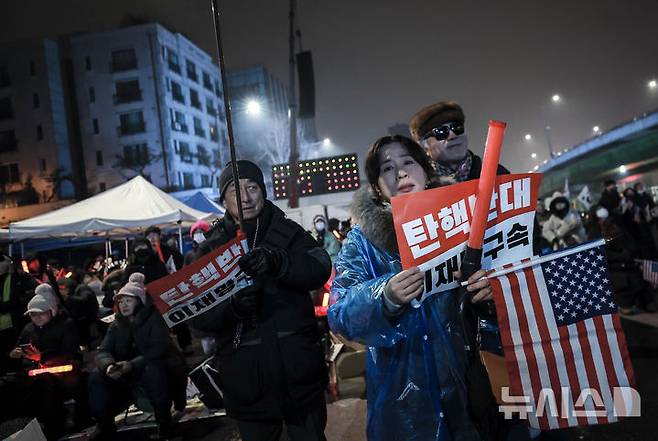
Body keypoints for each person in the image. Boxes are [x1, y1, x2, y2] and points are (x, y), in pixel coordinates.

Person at [328, 135, 493, 441]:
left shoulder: (465, 222)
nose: (400, 173)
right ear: (377, 186)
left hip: (470, 386)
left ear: (426, 172)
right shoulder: (362, 241)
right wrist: (384, 296)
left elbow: (506, 291)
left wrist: (490, 292)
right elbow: (339, 314)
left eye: (408, 163)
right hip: (403, 399)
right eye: (387, 168)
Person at [190, 160, 332, 441]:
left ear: (264, 191)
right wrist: (231, 308)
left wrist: (280, 263)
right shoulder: (211, 249)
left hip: (299, 374)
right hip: (246, 382)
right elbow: (198, 316)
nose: (245, 197)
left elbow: (320, 267)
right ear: (223, 199)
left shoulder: (289, 232)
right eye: (235, 191)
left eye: (252, 187)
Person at [88, 273, 187, 441]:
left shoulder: (154, 318)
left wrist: (132, 365)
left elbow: (158, 349)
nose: (123, 305)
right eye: (120, 301)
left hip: (156, 366)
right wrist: (109, 366)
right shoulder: (117, 323)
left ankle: (164, 426)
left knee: (153, 370)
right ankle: (104, 425)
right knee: (96, 377)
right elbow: (103, 350)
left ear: (139, 301)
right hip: (126, 369)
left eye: (128, 300)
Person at [1, 284, 81, 440]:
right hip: (30, 373)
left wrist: (42, 358)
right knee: (5, 385)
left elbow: (70, 353)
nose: (36, 318)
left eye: (40, 314)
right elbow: (19, 349)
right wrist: (13, 355)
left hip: (59, 374)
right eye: (32, 315)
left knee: (43, 387)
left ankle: (53, 428)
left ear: (51, 311)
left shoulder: (66, 325)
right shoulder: (28, 329)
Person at [409, 101, 509, 183]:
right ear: (424, 146)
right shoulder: (419, 185)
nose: (453, 135)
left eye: (457, 128)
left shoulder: (498, 175)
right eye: (441, 132)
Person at [0, 254, 38, 374]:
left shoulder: (20, 276)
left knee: (17, 357)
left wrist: (14, 304)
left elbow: (34, 293)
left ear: (7, 263)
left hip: (16, 326)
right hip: (3, 328)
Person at [57, 276, 100, 348]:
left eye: (63, 289)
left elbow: (84, 299)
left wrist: (68, 298)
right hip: (80, 321)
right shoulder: (71, 294)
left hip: (89, 320)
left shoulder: (82, 288)